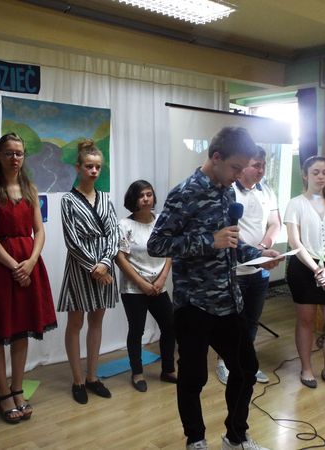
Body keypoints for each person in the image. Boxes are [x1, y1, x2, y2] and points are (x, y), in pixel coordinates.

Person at [147, 127, 280, 450]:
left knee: (246, 370)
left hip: (229, 301)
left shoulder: (227, 192)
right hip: (194, 305)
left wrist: (258, 255)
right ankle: (195, 440)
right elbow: (157, 244)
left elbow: (230, 244)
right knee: (193, 378)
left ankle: (235, 437)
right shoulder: (185, 193)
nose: (238, 176)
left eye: (242, 168)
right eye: (235, 167)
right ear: (216, 158)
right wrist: (209, 240)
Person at [0, 133, 57, 424]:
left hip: (29, 266)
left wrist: (31, 262)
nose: (14, 158)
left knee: (22, 330)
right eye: (9, 153)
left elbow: (40, 231)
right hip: (1, 268)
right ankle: (3, 392)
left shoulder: (30, 188)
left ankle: (18, 388)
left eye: (19, 153)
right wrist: (15, 266)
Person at [58, 139, 119, 404]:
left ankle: (92, 376)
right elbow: (72, 240)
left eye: (97, 167)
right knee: (75, 324)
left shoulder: (105, 198)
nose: (94, 171)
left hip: (105, 266)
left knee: (96, 322)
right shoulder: (68, 200)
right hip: (80, 268)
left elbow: (114, 234)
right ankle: (77, 380)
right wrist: (95, 267)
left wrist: (105, 263)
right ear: (78, 167)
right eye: (89, 166)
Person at [215, 147, 281, 385]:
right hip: (235, 270)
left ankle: (246, 362)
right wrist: (252, 252)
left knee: (252, 320)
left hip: (260, 269)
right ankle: (224, 363)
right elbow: (228, 230)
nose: (261, 170)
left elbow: (275, 224)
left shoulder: (267, 191)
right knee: (232, 320)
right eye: (256, 165)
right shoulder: (229, 191)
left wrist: (262, 248)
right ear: (243, 166)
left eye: (263, 165)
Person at [284, 155, 325, 392]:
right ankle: (306, 368)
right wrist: (316, 269)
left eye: (324, 172)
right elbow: (294, 242)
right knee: (306, 321)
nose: (320, 177)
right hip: (303, 268)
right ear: (305, 175)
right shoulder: (296, 203)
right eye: (315, 172)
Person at [115, 180, 176, 392]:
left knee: (170, 326)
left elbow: (169, 251)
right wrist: (141, 283)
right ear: (133, 199)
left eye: (149, 194)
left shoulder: (161, 221)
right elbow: (120, 258)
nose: (146, 199)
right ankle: (137, 373)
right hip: (134, 289)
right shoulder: (125, 225)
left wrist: (161, 279)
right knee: (137, 330)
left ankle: (168, 370)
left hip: (158, 286)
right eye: (141, 195)